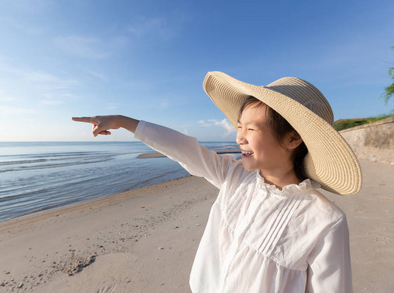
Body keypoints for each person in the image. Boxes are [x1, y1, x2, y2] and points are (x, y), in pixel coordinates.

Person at [72, 71, 362, 292]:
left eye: (251, 128)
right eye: (238, 127)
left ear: (293, 138)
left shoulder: (324, 220)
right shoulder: (235, 177)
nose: (240, 137)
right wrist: (124, 121)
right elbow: (185, 149)